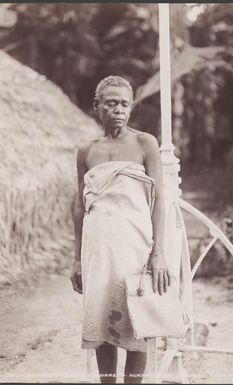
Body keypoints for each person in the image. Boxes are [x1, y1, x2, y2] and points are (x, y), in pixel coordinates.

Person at [70, 75, 171, 384]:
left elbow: (158, 200)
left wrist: (159, 253)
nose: (119, 110)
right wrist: (76, 259)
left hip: (135, 245)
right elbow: (79, 205)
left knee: (136, 318)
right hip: (98, 247)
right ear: (96, 107)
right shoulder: (86, 150)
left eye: (125, 104)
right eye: (111, 103)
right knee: (102, 322)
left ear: (132, 108)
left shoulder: (145, 143)